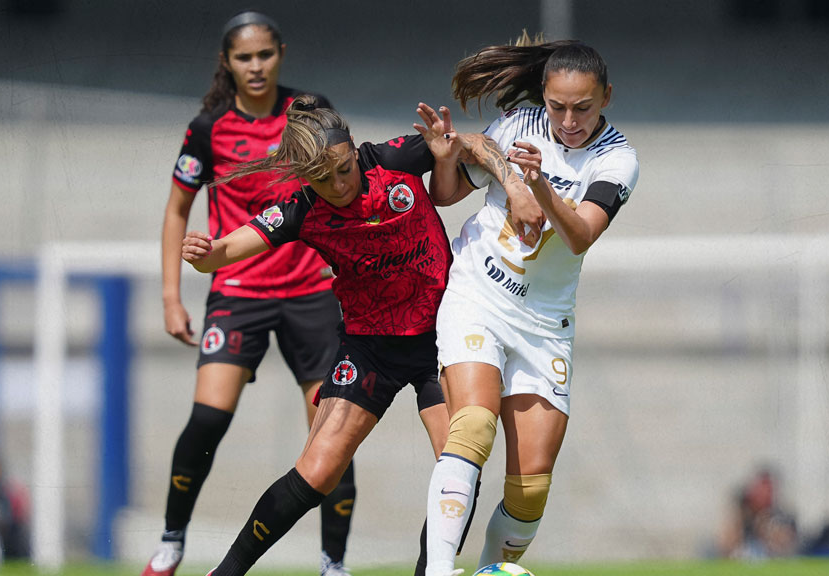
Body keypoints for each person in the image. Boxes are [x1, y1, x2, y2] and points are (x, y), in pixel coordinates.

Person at [182, 95, 466, 576]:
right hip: (370, 346)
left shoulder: (395, 157)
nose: (337, 186)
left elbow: (471, 151)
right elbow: (228, 248)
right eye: (320, 179)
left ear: (354, 150)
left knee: (457, 465)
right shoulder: (301, 210)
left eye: (342, 169)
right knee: (318, 470)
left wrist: (464, 160)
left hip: (442, 337)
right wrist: (204, 253)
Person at [422, 33, 640, 576]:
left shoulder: (618, 159)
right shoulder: (518, 126)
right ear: (543, 97)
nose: (569, 120)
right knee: (472, 426)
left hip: (544, 324)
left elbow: (579, 235)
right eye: (558, 106)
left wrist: (537, 187)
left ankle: (487, 570)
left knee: (530, 489)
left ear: (606, 97)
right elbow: (446, 193)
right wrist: (458, 161)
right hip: (479, 296)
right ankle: (441, 570)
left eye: (583, 107)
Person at [147, 11, 354, 576]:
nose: (256, 66)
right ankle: (171, 543)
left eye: (265, 55)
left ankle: (334, 563)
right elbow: (176, 211)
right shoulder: (208, 128)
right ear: (227, 63)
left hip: (311, 291)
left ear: (280, 53)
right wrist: (172, 296)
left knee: (331, 427)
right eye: (244, 57)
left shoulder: (309, 111)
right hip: (238, 290)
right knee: (208, 419)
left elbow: (345, 185)